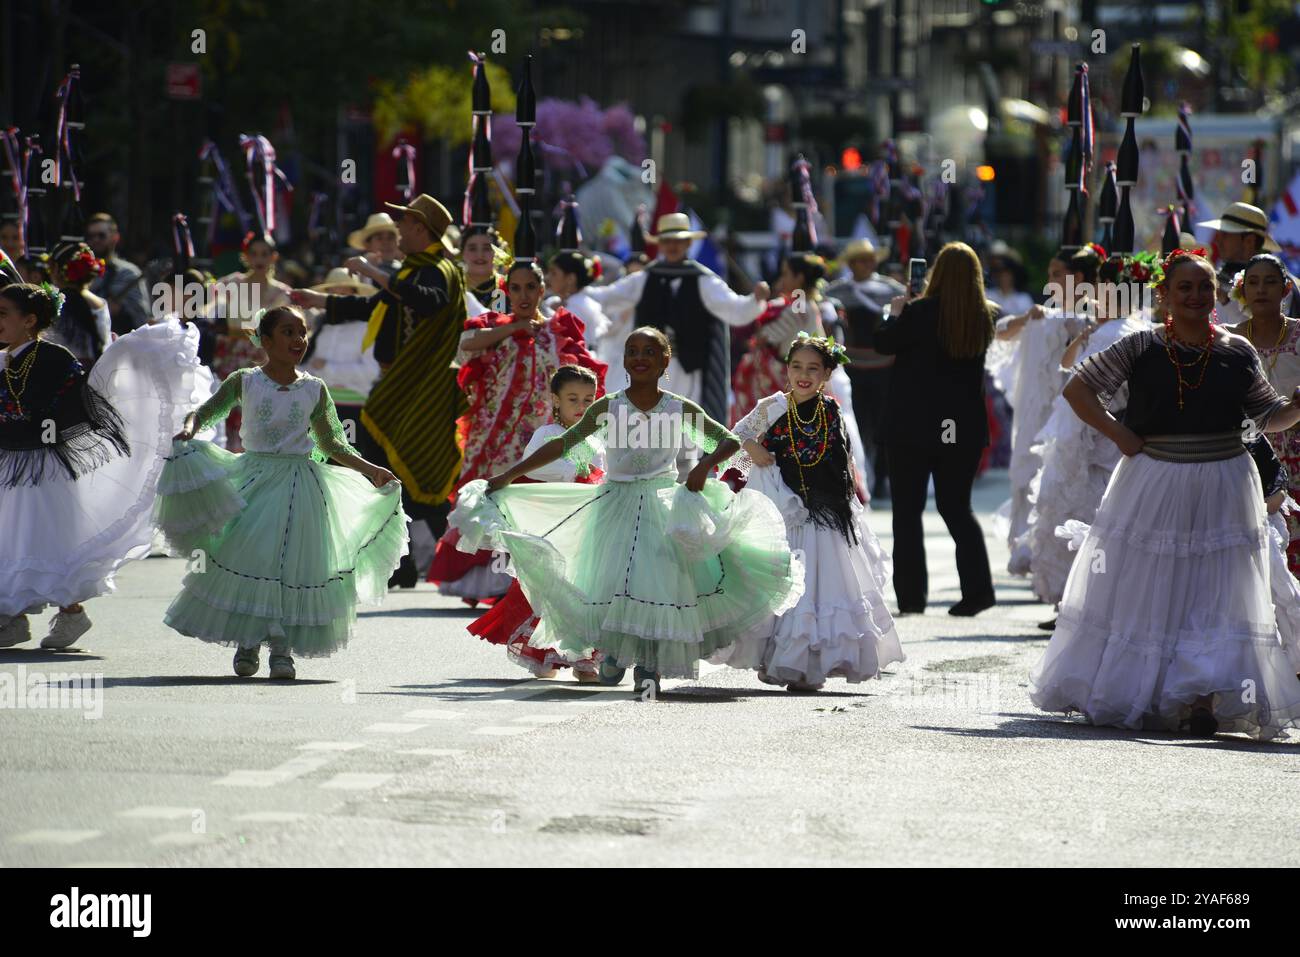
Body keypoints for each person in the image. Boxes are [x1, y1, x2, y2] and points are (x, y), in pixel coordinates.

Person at [1030, 248, 1300, 738]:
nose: (1196, 296)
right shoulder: (1141, 347)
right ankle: (1150, 690)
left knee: (1217, 588)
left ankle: (1200, 697)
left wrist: (1297, 407)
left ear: (1217, 295)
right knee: (1152, 584)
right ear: (1164, 296)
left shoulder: (1237, 352)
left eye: (1205, 288)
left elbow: (1269, 416)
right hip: (1155, 477)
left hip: (1226, 479)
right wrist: (1119, 435)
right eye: (1185, 288)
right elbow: (1078, 391)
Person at [445, 327, 802, 696]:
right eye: (632, 351)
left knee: (656, 582)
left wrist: (700, 468)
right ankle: (614, 651)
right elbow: (564, 444)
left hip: (662, 506)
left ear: (665, 361)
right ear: (624, 360)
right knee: (611, 581)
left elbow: (726, 440)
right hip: (613, 503)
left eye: (650, 351)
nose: (640, 358)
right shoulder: (608, 407)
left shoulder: (678, 408)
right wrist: (509, 474)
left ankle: (649, 664)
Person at [159, 305, 407, 680]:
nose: (298, 340)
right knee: (253, 559)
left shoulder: (314, 389)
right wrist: (190, 429)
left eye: (302, 333)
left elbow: (333, 444)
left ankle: (281, 649)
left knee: (292, 565)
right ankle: (247, 641)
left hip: (301, 486)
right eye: (288, 332)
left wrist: (372, 470)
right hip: (254, 480)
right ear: (266, 338)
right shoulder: (245, 381)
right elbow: (206, 412)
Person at [0, 281, 203, 650]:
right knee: (11, 539)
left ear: (29, 321)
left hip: (44, 466)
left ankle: (71, 613)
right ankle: (11, 616)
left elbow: (79, 406)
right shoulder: (4, 359)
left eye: (2, 314)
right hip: (8, 463)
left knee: (48, 539)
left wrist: (40, 427)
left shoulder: (54, 358)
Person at [292, 194, 468, 588]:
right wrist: (316, 300)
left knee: (412, 472)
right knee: (387, 469)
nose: (399, 230)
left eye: (404, 224)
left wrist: (375, 271)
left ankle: (453, 563)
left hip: (421, 388)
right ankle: (408, 564)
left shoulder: (437, 269)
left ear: (421, 228)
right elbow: (374, 307)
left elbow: (429, 302)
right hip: (400, 387)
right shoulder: (416, 270)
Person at [717, 333, 902, 690]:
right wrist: (752, 447)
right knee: (788, 589)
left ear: (827, 373)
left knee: (822, 592)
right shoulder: (772, 406)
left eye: (813, 368)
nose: (804, 375)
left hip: (826, 517)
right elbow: (734, 436)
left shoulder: (831, 410)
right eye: (797, 367)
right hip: (786, 512)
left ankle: (810, 666)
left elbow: (843, 461)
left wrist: (845, 503)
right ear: (786, 370)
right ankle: (782, 661)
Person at [427, 259, 607, 603]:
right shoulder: (495, 326)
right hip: (495, 435)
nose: (523, 295)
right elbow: (465, 344)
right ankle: (485, 584)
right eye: (516, 288)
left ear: (542, 290)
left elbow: (586, 378)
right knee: (495, 500)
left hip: (545, 436)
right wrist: (514, 328)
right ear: (506, 292)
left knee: (531, 503)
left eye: (531, 288)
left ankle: (521, 585)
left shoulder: (558, 330)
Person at [1019, 253, 1151, 628]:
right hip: (1093, 438)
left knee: (1088, 524)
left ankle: (1083, 608)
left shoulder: (1117, 333)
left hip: (1095, 442)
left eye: (1103, 288)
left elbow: (1091, 392)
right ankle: (1077, 606)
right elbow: (1067, 363)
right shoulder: (1111, 328)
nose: (1094, 295)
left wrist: (1074, 454)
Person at [875, 241, 998, 617]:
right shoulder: (985, 316)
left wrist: (896, 313)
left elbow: (883, 344)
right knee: (958, 509)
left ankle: (912, 597)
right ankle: (978, 591)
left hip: (913, 425)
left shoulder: (918, 312)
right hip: (959, 427)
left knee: (908, 512)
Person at [466, 365, 605, 679]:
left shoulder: (597, 438)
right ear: (555, 400)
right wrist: (573, 473)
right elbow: (535, 470)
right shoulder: (547, 435)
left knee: (587, 587)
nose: (581, 407)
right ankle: (545, 654)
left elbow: (604, 472)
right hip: (557, 522)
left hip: (589, 526)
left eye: (588, 399)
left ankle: (586, 658)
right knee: (554, 588)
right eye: (573, 399)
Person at [583, 212, 771, 425]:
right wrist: (576, 292)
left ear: (688, 243)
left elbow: (735, 309)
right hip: (650, 368)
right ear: (660, 244)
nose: (673, 246)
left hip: (688, 367)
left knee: (685, 425)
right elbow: (608, 297)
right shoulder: (645, 278)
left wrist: (755, 299)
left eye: (678, 241)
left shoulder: (704, 280)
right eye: (667, 241)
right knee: (647, 422)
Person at [986, 246, 1093, 575]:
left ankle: (1065, 566)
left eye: (1057, 274)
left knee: (1065, 484)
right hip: (1038, 415)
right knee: (1030, 477)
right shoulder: (1042, 317)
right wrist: (1026, 318)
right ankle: (1037, 556)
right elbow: (1001, 333)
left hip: (1074, 416)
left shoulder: (1093, 318)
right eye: (1050, 274)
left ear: (1080, 278)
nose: (1051, 281)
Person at [729, 251, 868, 491]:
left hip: (794, 383)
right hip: (802, 381)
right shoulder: (803, 303)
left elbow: (766, 336)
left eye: (786, 274)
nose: (782, 279)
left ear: (799, 277)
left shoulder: (798, 305)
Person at [1226, 253, 1300, 578]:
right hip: (1248, 454)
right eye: (1253, 282)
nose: (1261, 289)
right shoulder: (1229, 338)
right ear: (1243, 289)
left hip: (1297, 453)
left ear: (1285, 289)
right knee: (1255, 548)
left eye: (1270, 282)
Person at [826, 239, 904, 499]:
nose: (867, 264)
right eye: (861, 259)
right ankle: (855, 477)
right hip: (852, 367)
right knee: (855, 425)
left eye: (870, 259)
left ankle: (883, 477)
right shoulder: (835, 291)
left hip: (884, 366)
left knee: (884, 425)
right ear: (850, 264)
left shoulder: (891, 289)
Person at [209, 232, 293, 450]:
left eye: (265, 254)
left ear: (273, 257)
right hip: (229, 360)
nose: (259, 259)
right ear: (245, 257)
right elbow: (204, 311)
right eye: (254, 254)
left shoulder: (283, 294)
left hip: (264, 362)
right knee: (226, 421)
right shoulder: (230, 284)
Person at [301, 266, 380, 435]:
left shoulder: (365, 328)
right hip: (319, 409)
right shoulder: (322, 328)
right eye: (333, 296)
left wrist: (327, 368)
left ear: (355, 296)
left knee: (346, 460)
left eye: (344, 295)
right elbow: (308, 366)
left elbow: (371, 372)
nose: (338, 302)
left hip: (354, 410)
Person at [1197, 201, 1287, 326]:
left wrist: (1226, 301)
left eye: (1225, 235)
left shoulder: (1278, 284)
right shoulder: (1213, 279)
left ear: (1249, 241)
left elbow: (1267, 330)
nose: (1217, 240)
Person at [546, 249, 613, 377]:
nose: (548, 278)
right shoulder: (560, 302)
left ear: (570, 278)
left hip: (577, 373)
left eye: (554, 273)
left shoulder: (578, 307)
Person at [85, 212, 150, 336]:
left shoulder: (128, 273)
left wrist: (121, 311)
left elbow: (141, 318)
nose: (96, 240)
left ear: (115, 237)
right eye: (91, 236)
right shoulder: (80, 273)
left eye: (101, 235)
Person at [48, 241, 110, 365]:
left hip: (63, 376)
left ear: (55, 268)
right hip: (97, 375)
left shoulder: (53, 303)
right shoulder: (100, 304)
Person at [347, 212, 402, 279]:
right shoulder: (357, 271)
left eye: (390, 238)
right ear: (367, 244)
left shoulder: (406, 270)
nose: (386, 242)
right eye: (379, 238)